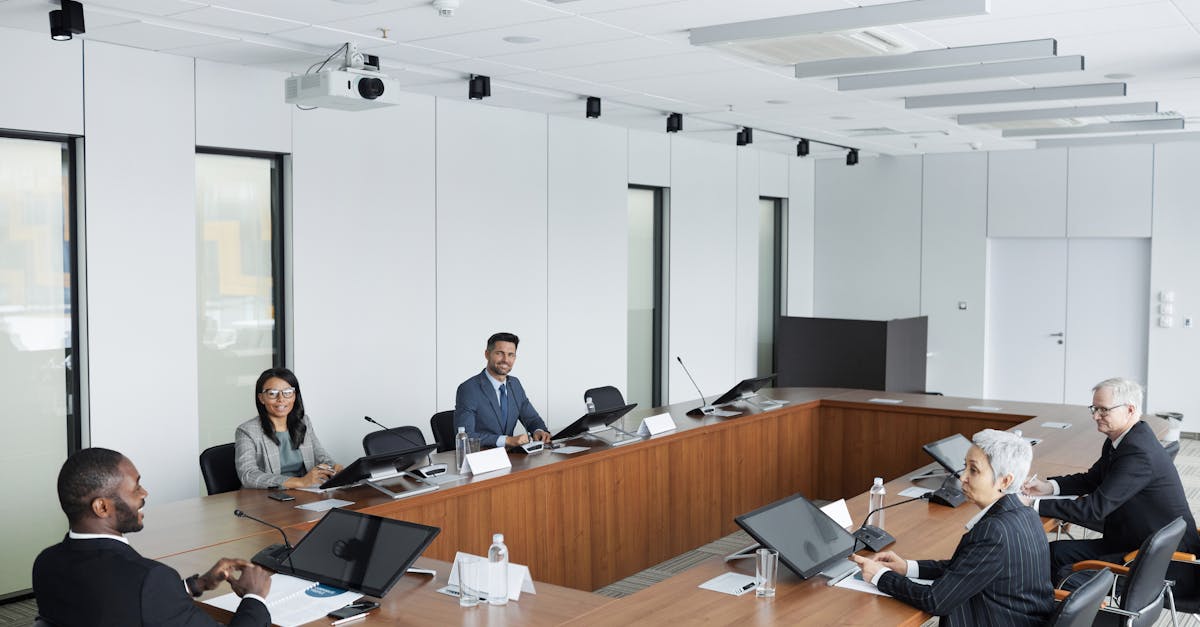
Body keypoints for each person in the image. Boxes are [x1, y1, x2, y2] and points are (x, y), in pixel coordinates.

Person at [33, 447, 271, 627]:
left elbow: (118, 602)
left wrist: (196, 585)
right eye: (136, 488)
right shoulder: (149, 578)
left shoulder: (46, 563)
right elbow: (139, 592)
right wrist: (255, 597)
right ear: (102, 508)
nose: (144, 493)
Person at [851, 429, 1054, 627]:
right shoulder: (1025, 514)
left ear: (1005, 480)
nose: (962, 477)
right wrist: (908, 567)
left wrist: (879, 576)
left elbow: (936, 600)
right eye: (964, 467)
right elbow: (967, 567)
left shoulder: (994, 532)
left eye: (973, 470)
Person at [1021, 377, 1200, 594]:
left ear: (1130, 410)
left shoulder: (1138, 453)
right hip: (1138, 541)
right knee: (1053, 552)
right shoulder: (1126, 438)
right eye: (1094, 408)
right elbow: (1093, 479)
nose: (1096, 416)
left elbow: (1093, 510)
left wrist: (1032, 505)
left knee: (1060, 567)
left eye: (1104, 410)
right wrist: (1049, 487)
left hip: (1163, 564)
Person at [235, 367, 342, 489]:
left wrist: (333, 468)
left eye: (287, 392)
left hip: (306, 493)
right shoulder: (247, 431)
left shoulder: (303, 422)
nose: (281, 399)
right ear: (261, 398)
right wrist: (300, 482)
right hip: (268, 498)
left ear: (294, 395)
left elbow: (321, 457)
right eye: (272, 394)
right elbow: (248, 475)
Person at [455, 332, 551, 448]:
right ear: (487, 354)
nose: (505, 359)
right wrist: (507, 440)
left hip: (511, 458)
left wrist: (538, 431)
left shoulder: (514, 384)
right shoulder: (469, 389)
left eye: (511, 355)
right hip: (481, 457)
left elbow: (532, 419)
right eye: (500, 353)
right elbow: (466, 435)